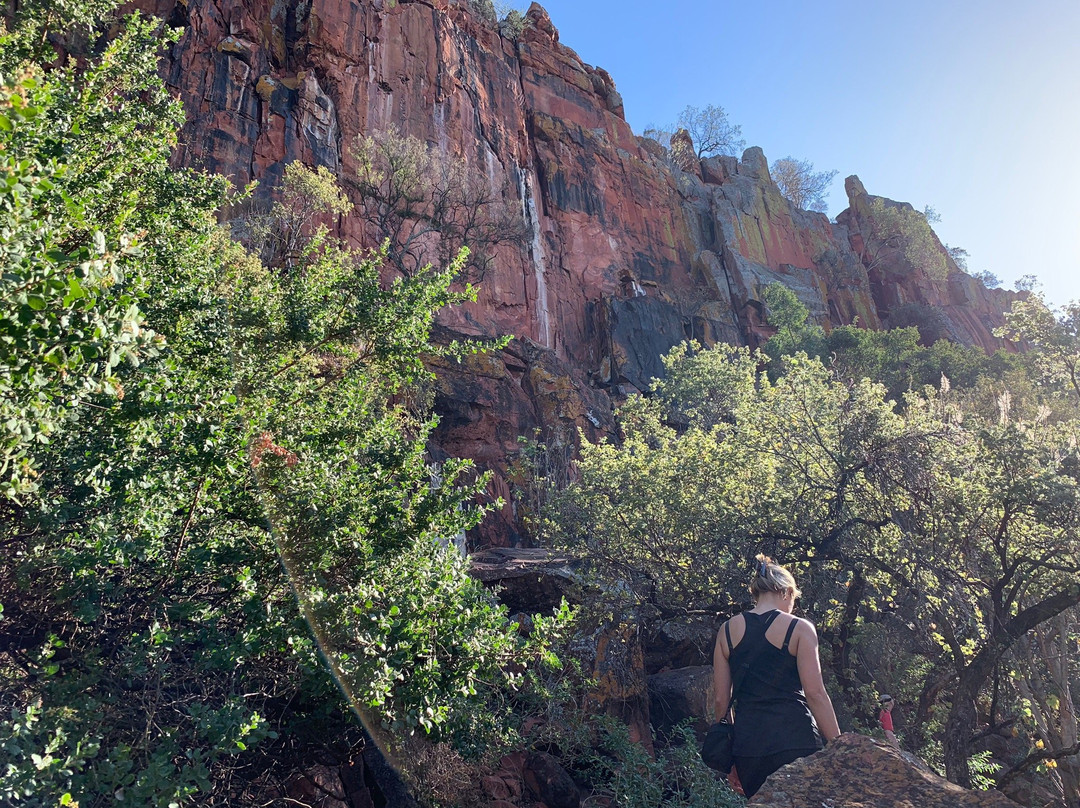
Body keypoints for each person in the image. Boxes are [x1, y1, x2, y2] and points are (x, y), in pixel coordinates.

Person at [712, 554, 842, 798]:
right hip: (795, 739)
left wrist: (731, 759)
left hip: (748, 747)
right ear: (786, 592)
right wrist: (840, 747)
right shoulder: (799, 628)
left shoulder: (727, 631)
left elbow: (721, 700)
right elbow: (815, 693)